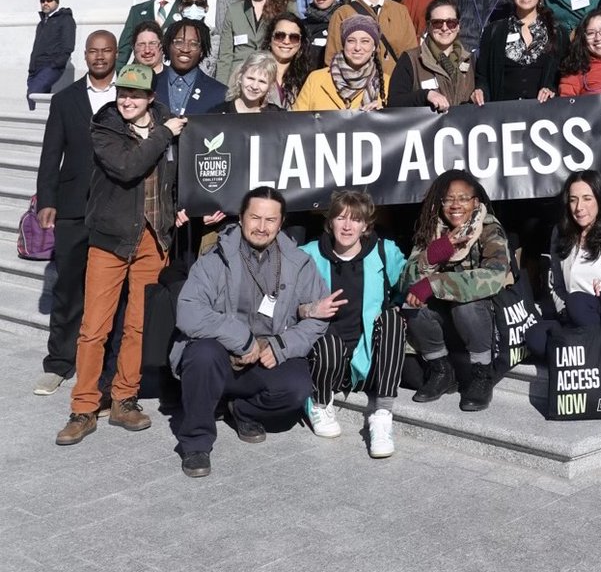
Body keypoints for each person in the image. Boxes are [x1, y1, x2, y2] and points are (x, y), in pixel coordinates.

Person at [54, 64, 187, 447]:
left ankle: (124, 398)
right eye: (123, 93)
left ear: (151, 98)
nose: (127, 100)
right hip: (110, 238)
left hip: (152, 238)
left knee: (138, 325)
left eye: (136, 94)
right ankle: (83, 406)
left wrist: (179, 205)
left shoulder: (167, 122)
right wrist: (163, 134)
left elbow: (173, 176)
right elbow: (129, 167)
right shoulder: (106, 126)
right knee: (94, 327)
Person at [170, 187, 329, 478]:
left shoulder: (299, 263)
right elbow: (189, 310)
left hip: (267, 353)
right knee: (202, 354)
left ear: (281, 223)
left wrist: (281, 346)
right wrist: (241, 340)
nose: (262, 227)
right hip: (222, 354)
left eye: (270, 220)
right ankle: (196, 441)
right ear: (241, 218)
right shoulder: (215, 258)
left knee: (297, 388)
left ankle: (241, 410)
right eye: (255, 218)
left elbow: (317, 319)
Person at [33, 30, 117, 397]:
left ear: (117, 53)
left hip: (115, 206)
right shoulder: (66, 99)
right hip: (72, 208)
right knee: (67, 286)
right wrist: (46, 199)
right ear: (85, 55)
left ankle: (103, 366)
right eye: (93, 52)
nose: (99, 57)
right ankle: (58, 363)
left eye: (106, 51)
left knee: (112, 291)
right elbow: (51, 152)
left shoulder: (130, 95)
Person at [299, 190, 408, 458]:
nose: (347, 226)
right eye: (340, 218)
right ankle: (320, 402)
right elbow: (285, 303)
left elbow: (405, 288)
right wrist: (310, 308)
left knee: (393, 318)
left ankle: (382, 415)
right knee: (324, 334)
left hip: (367, 359)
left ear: (365, 225)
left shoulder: (384, 252)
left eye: (355, 219)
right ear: (330, 222)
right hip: (328, 360)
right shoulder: (308, 255)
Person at [401, 170, 511, 412]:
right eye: (449, 199)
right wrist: (436, 252)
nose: (455, 205)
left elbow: (493, 277)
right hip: (446, 323)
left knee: (466, 305)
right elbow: (405, 280)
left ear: (475, 202)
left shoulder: (489, 228)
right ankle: (442, 370)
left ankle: (482, 374)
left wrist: (435, 283)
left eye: (463, 198)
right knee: (411, 304)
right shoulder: (433, 231)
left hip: (484, 320)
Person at [527, 171, 601, 361]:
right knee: (535, 336)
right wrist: (564, 311)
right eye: (573, 200)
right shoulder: (560, 234)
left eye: (587, 199)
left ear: (600, 199)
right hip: (576, 321)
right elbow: (557, 285)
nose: (579, 207)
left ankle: (586, 352)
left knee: (578, 301)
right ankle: (590, 354)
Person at [476, 0, 568, 102]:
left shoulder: (557, 32)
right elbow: (482, 75)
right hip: (504, 116)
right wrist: (480, 90)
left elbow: (565, 75)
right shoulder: (493, 31)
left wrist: (552, 90)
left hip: (544, 117)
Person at [324, 0, 418, 78]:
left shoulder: (400, 11)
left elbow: (412, 54)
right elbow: (332, 58)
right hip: (356, 85)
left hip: (395, 85)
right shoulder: (343, 13)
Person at [215, 0, 293, 85]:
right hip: (237, 80)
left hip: (270, 80)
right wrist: (219, 89)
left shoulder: (286, 10)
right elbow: (225, 57)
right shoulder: (234, 10)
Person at [387, 0, 478, 112]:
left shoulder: (470, 60)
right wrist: (425, 96)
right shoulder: (411, 59)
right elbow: (394, 102)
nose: (444, 28)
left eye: (451, 23)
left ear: (458, 26)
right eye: (437, 23)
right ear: (428, 26)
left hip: (462, 127)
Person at [294, 14, 389, 112]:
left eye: (365, 41)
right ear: (344, 45)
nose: (357, 47)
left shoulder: (387, 84)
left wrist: (383, 116)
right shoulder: (315, 79)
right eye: (351, 41)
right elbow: (297, 122)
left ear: (374, 47)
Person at [154, 19, 225, 115]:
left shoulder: (219, 92)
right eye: (178, 42)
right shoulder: (150, 86)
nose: (185, 49)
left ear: (202, 51)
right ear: (168, 46)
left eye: (194, 44)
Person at [116, 0, 180, 67]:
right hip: (141, 72)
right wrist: (117, 73)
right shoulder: (137, 10)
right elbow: (125, 46)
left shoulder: (184, 9)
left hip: (172, 72)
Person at [27, 0, 75, 107]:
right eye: (43, 1)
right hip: (35, 68)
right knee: (40, 102)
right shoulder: (42, 23)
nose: (45, 3)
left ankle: (34, 124)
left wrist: (55, 64)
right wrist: (31, 66)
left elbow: (68, 46)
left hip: (50, 67)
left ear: (57, 2)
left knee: (32, 95)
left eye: (49, 0)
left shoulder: (65, 19)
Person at [261, 12, 310, 109]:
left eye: (294, 37)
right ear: (270, 39)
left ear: (301, 43)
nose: (286, 41)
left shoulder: (307, 79)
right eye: (279, 35)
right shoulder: (252, 71)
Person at [213, 52, 281, 114]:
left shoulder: (278, 116)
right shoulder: (218, 113)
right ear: (240, 77)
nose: (254, 86)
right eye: (250, 78)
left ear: (270, 85)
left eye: (262, 81)